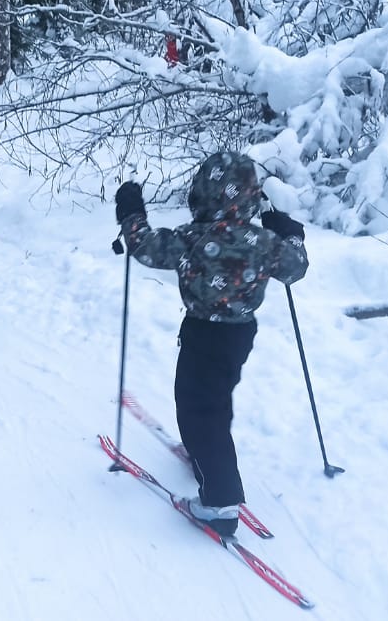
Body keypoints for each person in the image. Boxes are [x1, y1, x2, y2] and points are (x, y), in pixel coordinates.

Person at [113, 153, 309, 538]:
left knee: (198, 408)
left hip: (203, 331)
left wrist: (130, 209)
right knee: (213, 402)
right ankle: (205, 456)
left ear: (201, 194)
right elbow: (296, 266)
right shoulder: (263, 241)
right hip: (239, 335)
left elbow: (144, 246)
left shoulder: (193, 237)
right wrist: (287, 230)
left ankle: (220, 501)